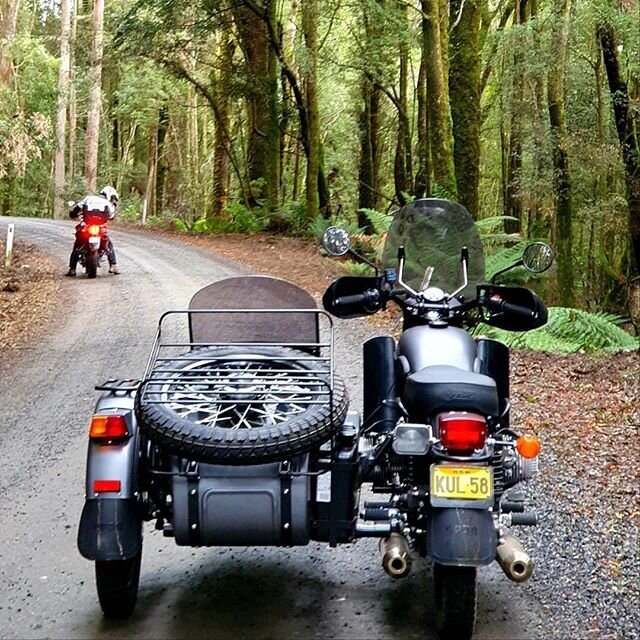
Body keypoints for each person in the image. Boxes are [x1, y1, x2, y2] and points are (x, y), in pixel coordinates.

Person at [66, 186, 120, 276]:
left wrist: (73, 214)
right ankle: (113, 265)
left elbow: (77, 208)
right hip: (100, 228)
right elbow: (111, 216)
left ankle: (72, 268)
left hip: (87, 227)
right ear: (109, 195)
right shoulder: (108, 204)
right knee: (108, 244)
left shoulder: (89, 198)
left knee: (78, 244)